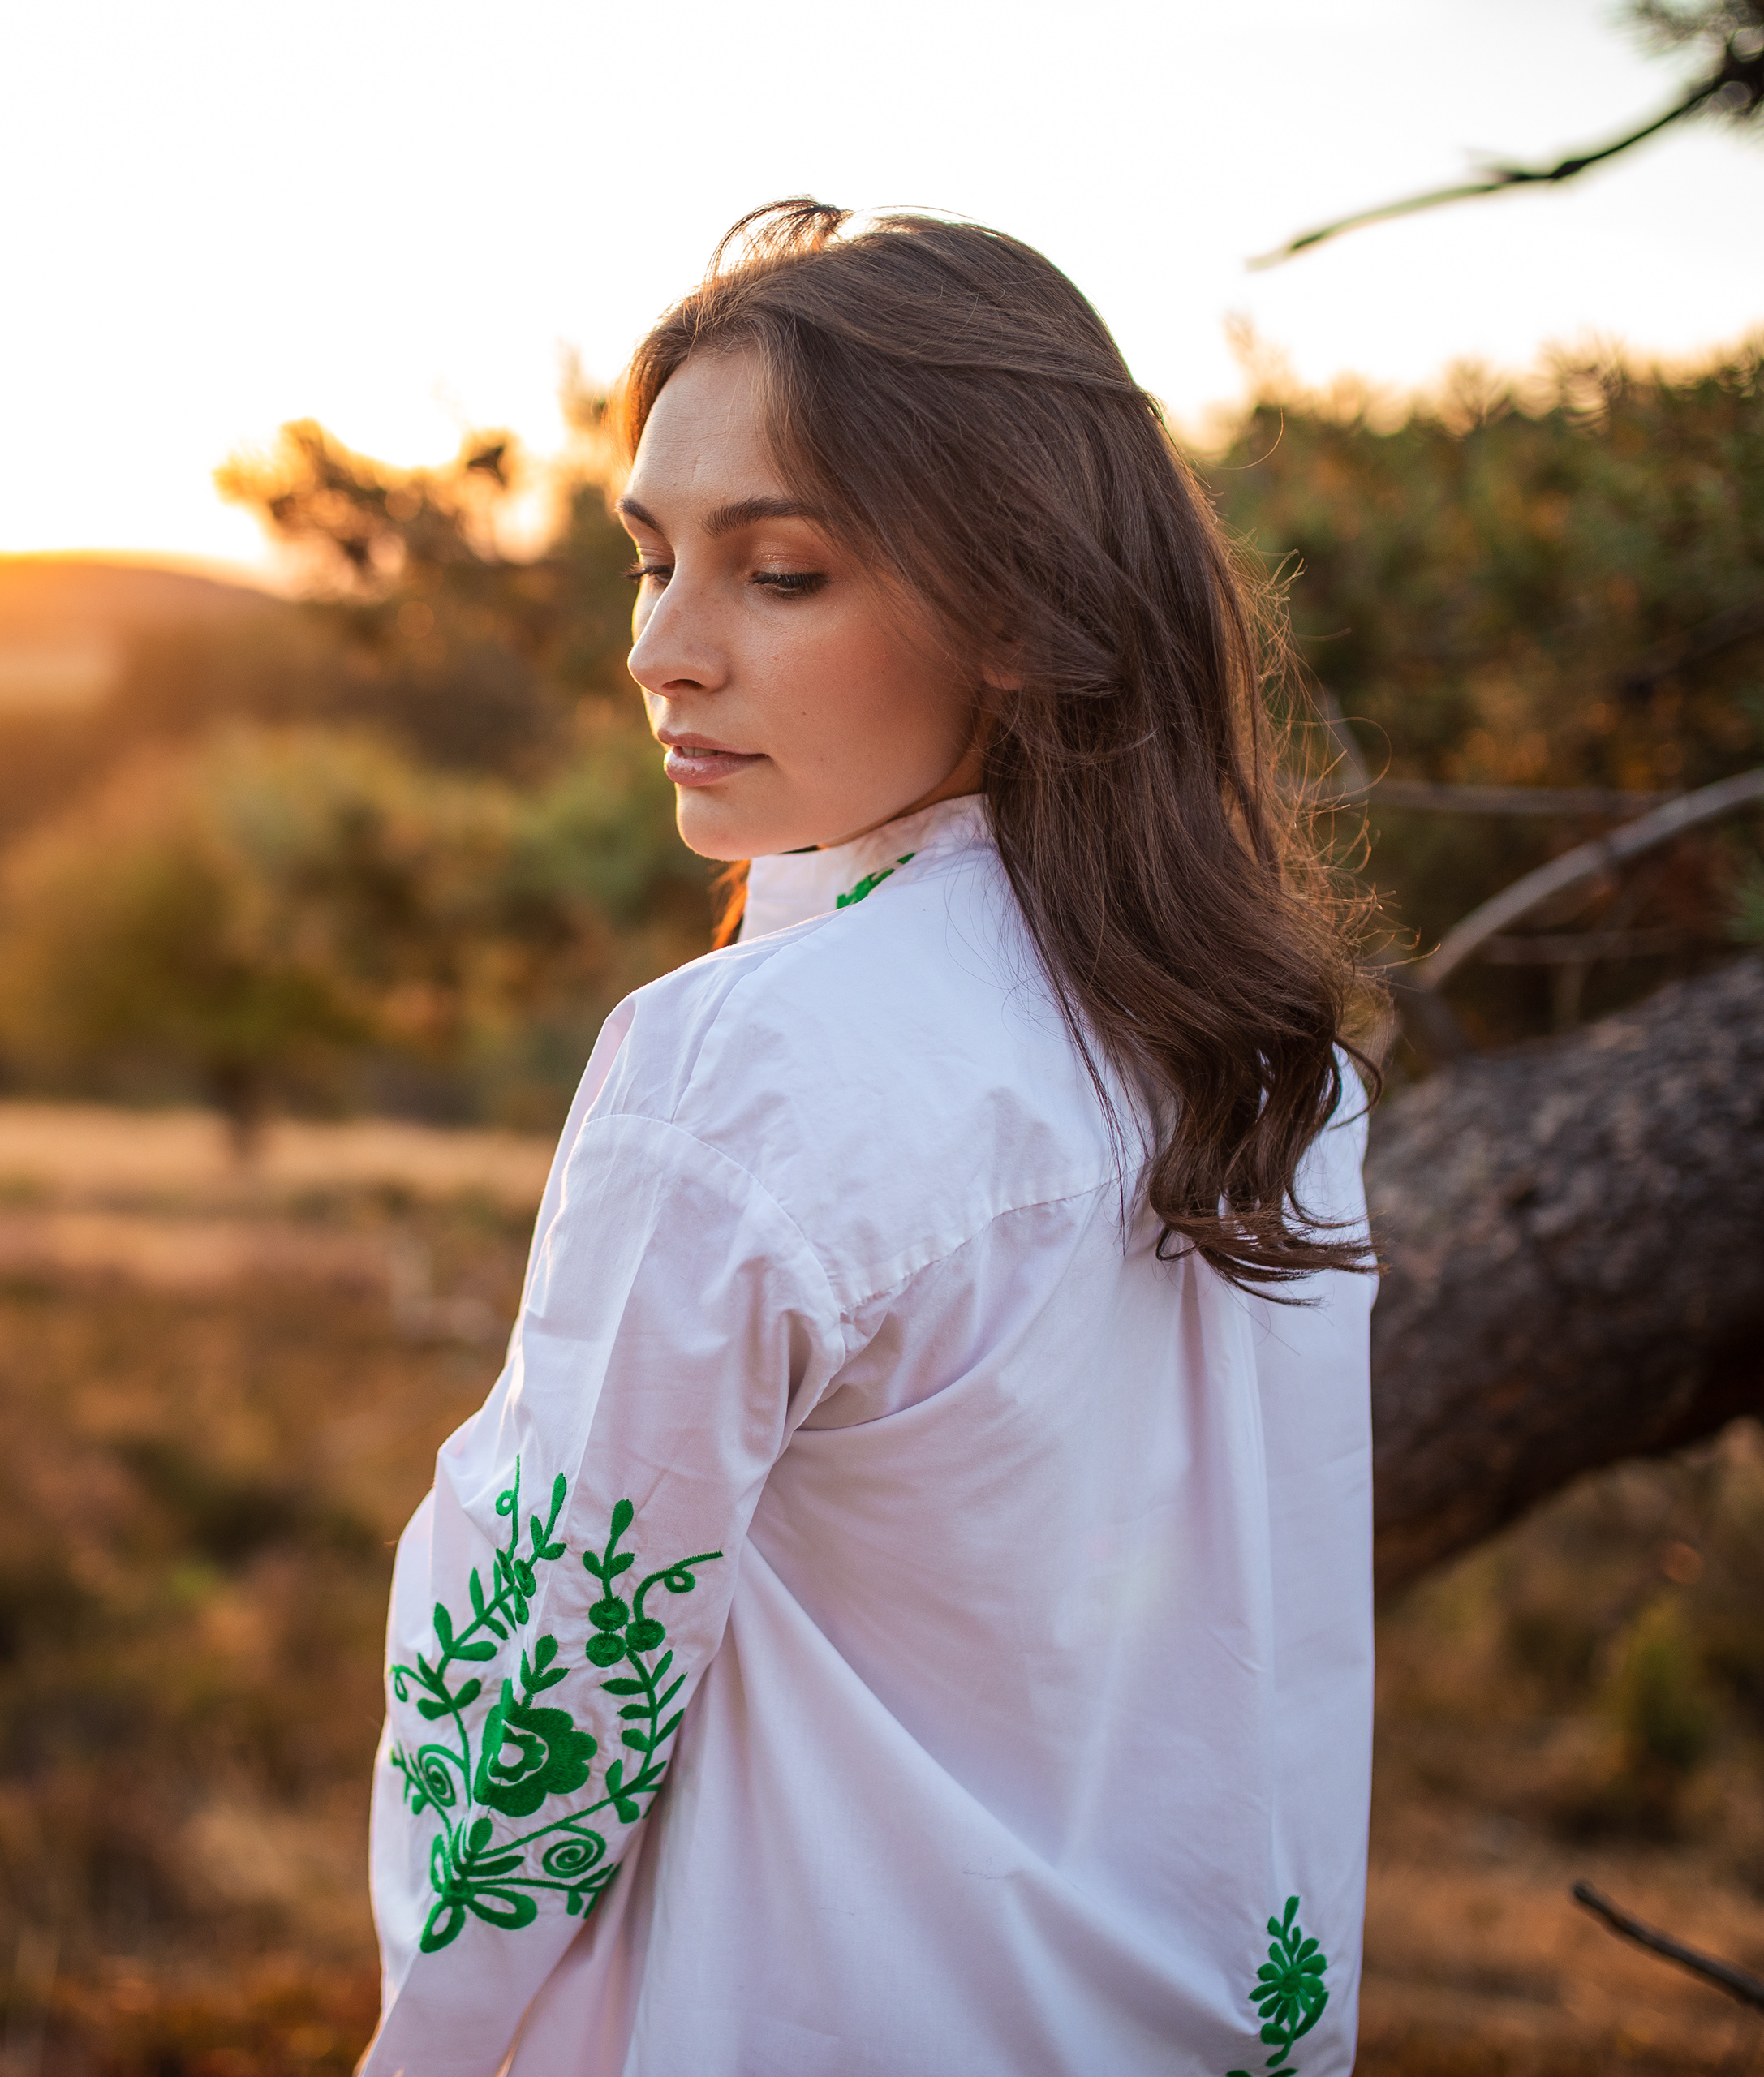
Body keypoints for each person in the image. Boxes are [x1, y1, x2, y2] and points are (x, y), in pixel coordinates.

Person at [363, 200, 1377, 2077]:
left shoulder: (746, 1071)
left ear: (1023, 609)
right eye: (651, 559)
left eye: (785, 572)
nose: (663, 650)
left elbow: (543, 1730)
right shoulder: (1269, 1066)